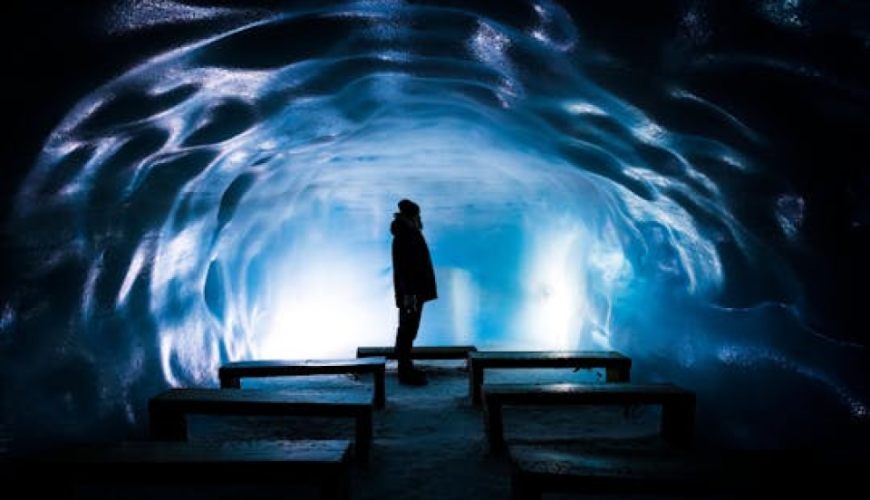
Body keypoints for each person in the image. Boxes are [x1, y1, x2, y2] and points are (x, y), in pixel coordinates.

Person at [390, 198, 438, 386]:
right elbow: (405, 267)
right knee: (407, 328)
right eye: (418, 214)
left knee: (409, 329)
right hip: (411, 293)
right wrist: (409, 294)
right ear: (412, 216)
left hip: (413, 291)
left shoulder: (409, 233)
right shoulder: (405, 235)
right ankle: (405, 370)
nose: (420, 218)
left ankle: (406, 366)